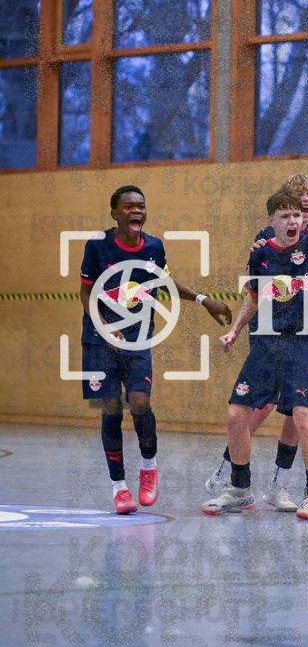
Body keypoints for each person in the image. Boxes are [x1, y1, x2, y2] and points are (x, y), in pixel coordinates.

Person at [201, 189, 308, 520]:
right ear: (272, 221)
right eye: (285, 216)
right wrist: (235, 330)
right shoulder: (262, 254)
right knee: (236, 414)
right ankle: (241, 490)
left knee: (302, 416)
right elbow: (254, 296)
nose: (293, 221)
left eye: (297, 215)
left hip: (301, 343)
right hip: (266, 343)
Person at [80, 185, 231, 514]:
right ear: (115, 213)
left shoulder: (153, 247)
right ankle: (119, 488)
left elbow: (163, 281)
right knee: (110, 408)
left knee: (139, 401)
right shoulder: (98, 246)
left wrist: (203, 300)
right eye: (129, 206)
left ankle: (148, 467)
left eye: (141, 206)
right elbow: (86, 293)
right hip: (98, 339)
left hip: (137, 338)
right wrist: (106, 327)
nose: (136, 210)